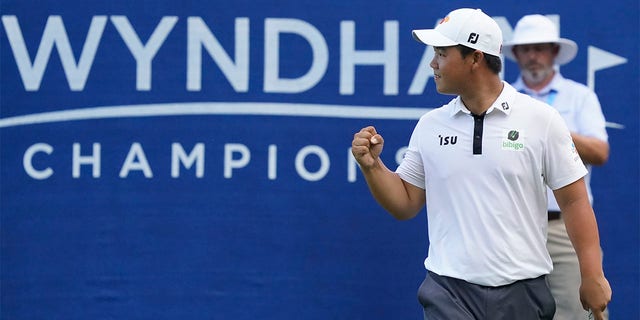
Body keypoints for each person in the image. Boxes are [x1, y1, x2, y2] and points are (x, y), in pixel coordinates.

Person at [351, 8, 611, 320]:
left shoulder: (541, 119)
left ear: (475, 58)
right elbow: (405, 203)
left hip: (522, 290)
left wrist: (592, 274)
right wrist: (372, 166)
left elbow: (574, 200)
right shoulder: (430, 125)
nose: (433, 64)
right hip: (447, 291)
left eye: (442, 54)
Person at [502, 14, 610, 320]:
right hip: (515, 228)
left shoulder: (580, 96)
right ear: (517, 55)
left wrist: (551, 127)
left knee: (579, 313)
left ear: (553, 52)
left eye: (540, 48)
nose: (533, 56)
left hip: (565, 228)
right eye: (526, 49)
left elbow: (600, 152)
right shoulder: (503, 100)